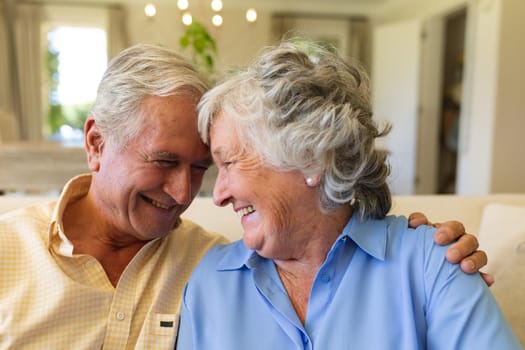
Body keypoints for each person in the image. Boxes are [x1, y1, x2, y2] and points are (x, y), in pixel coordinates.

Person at [0, 44, 485, 349]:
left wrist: (434, 256)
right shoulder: (8, 253)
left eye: (207, 168)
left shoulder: (211, 263)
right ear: (96, 144)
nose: (190, 193)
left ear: (310, 161)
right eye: (166, 162)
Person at [176, 41, 520, 349]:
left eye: (230, 162)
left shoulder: (430, 265)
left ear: (311, 157)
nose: (218, 195)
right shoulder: (209, 282)